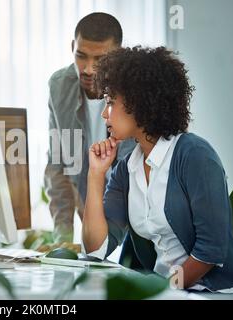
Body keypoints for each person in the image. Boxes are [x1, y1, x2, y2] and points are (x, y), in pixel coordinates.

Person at [82, 46, 233, 292]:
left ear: (137, 102)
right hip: (169, 292)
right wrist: (95, 175)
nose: (105, 114)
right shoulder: (126, 168)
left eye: (110, 102)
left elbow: (211, 251)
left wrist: (163, 290)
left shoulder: (195, 156)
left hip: (215, 294)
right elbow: (96, 248)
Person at [44, 12, 135, 243]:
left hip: (134, 224)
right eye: (81, 56)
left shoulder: (136, 91)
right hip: (90, 218)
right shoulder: (59, 86)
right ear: (73, 46)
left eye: (100, 60)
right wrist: (62, 240)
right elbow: (58, 167)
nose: (88, 69)